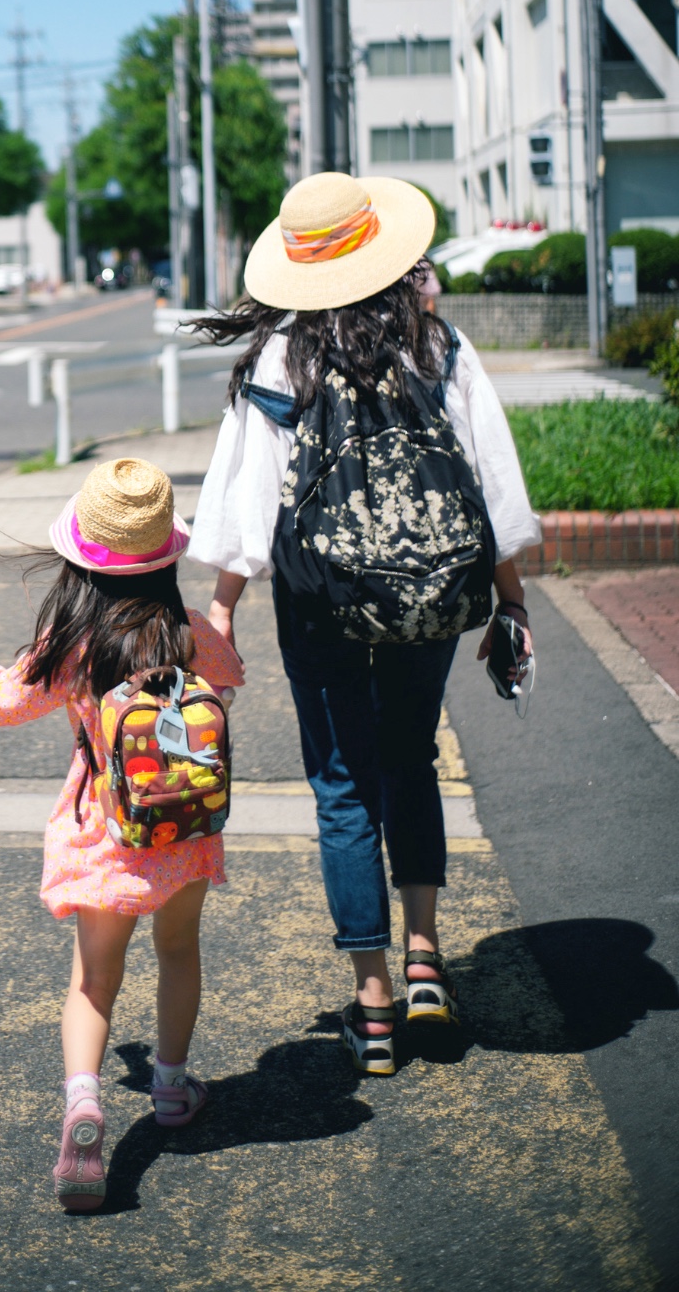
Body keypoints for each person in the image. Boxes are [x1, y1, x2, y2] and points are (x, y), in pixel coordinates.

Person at [189, 171, 539, 1076]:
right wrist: (512, 600)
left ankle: (374, 1005)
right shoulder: (437, 344)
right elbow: (491, 479)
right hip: (430, 602)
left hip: (321, 608)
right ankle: (427, 963)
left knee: (343, 789)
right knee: (411, 759)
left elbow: (246, 502)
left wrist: (220, 614)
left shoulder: (280, 360)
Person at [0, 456, 244, 1211]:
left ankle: (84, 1106)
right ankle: (173, 1091)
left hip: (106, 832)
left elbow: (4, 705)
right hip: (181, 830)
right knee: (178, 952)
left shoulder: (70, 634)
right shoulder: (185, 630)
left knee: (93, 981)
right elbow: (231, 677)